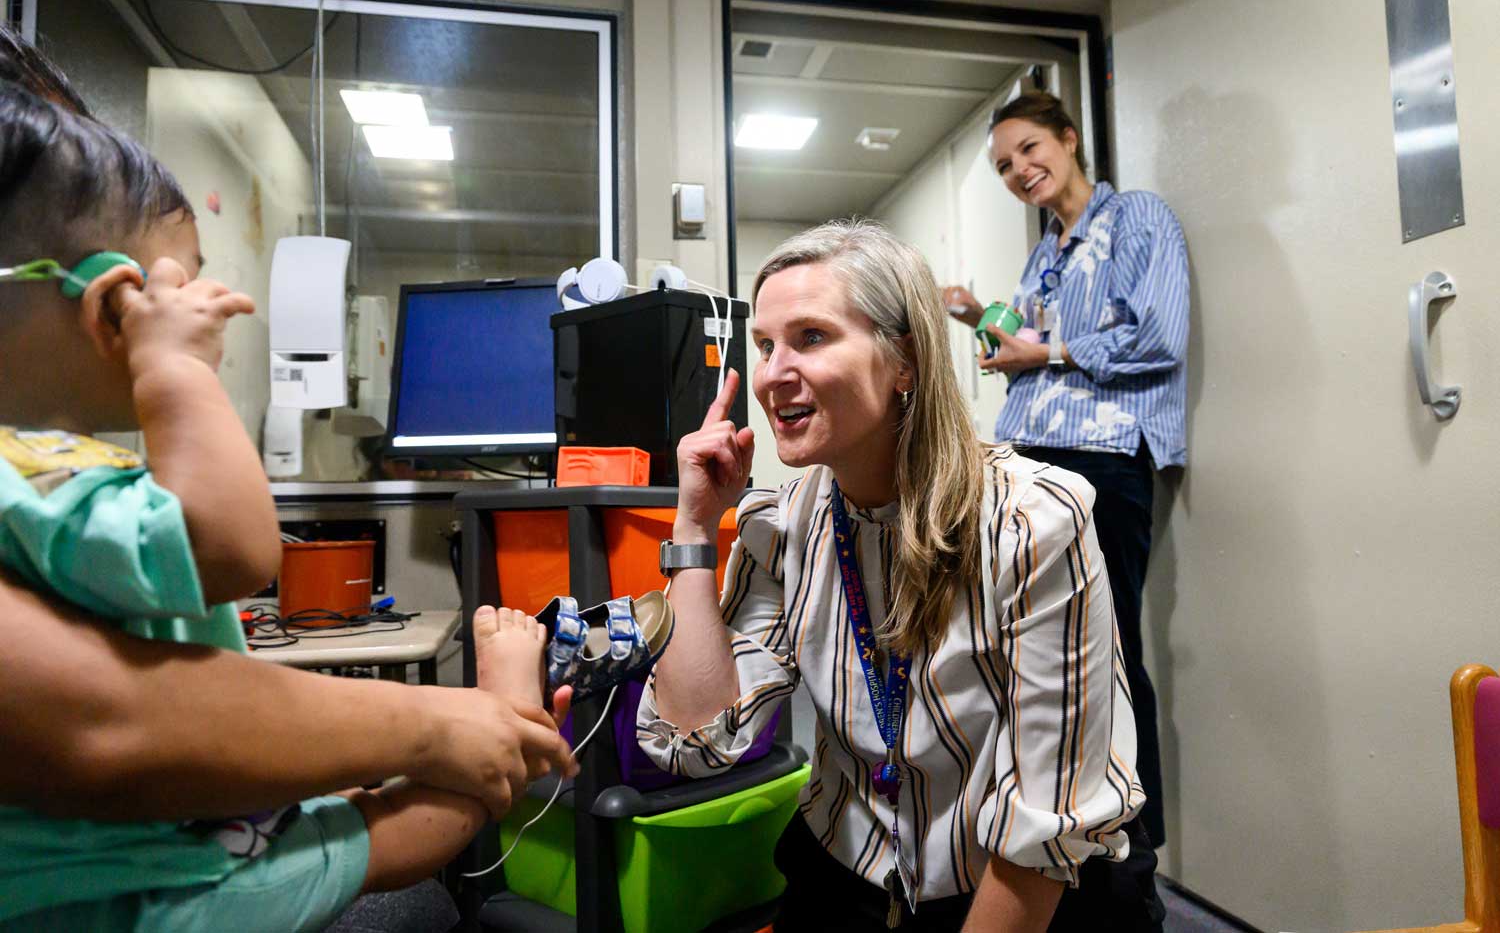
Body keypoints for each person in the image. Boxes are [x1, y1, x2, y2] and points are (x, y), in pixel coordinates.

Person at [0, 82, 570, 931]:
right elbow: (235, 548)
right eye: (185, 287)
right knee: (410, 828)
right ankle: (514, 715)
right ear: (113, 305)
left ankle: (499, 725)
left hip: (155, 827)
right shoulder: (46, 472)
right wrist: (177, 373)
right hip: (153, 890)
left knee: (372, 813)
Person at [642, 221, 1162, 931]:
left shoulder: (1034, 522)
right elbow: (699, 739)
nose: (771, 374)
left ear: (905, 360)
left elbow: (1043, 829)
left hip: (1025, 886)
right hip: (847, 871)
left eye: (812, 337)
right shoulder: (783, 524)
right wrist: (695, 528)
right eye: (764, 346)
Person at [942, 91, 1188, 852]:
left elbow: (1157, 337)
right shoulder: (1045, 252)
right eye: (1005, 165)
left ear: (1069, 138)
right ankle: (1050, 829)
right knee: (1033, 647)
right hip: (1025, 459)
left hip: (1104, 459)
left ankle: (1131, 845)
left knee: (1110, 648)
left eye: (1028, 149)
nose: (1019, 170)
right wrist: (981, 313)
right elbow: (1025, 346)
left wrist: (1043, 352)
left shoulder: (1137, 219)